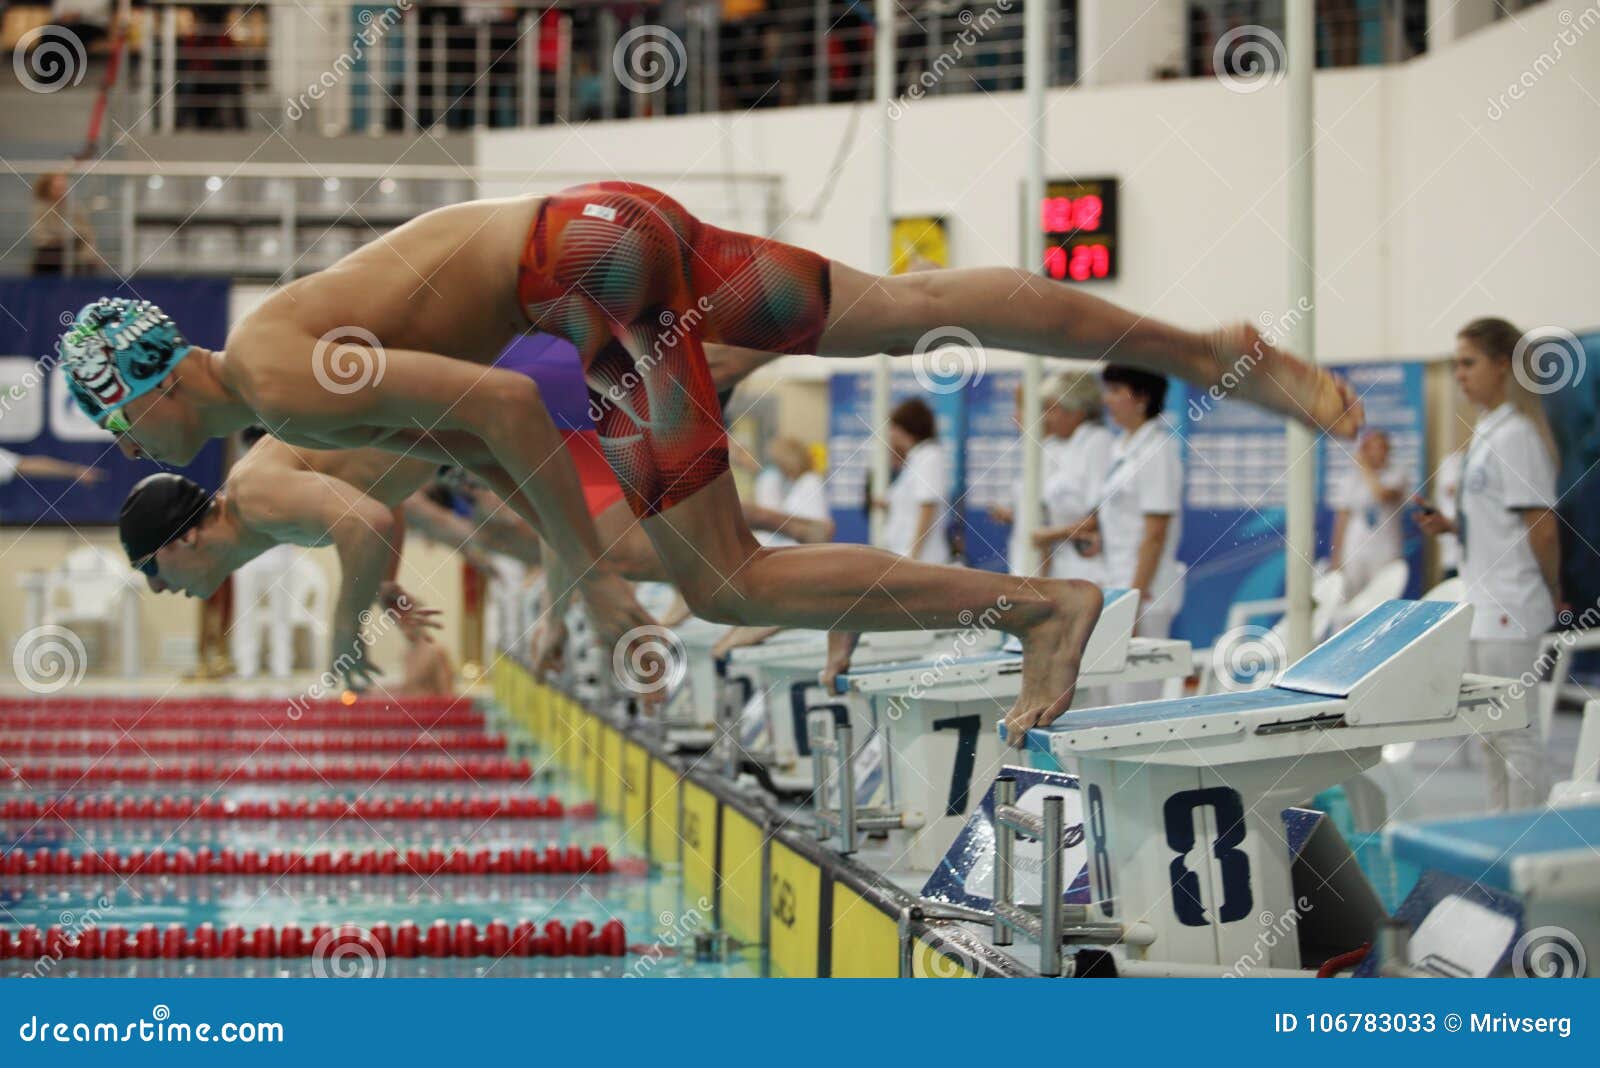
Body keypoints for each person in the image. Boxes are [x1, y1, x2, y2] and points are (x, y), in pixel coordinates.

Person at [60, 181, 1361, 736]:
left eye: (125, 426)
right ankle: (1201, 350)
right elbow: (472, 450)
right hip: (613, 234)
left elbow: (515, 420)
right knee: (907, 314)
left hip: (590, 270)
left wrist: (591, 581)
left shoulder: (279, 386)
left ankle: (1045, 609)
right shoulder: (289, 382)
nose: (132, 449)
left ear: (164, 378)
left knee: (721, 582)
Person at [1414, 317, 1560, 811]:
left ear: (1502, 366)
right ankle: (1496, 838)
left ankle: (1526, 846)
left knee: (1516, 735)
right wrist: (1451, 528)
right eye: (1455, 364)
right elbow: (1497, 522)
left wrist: (1554, 589)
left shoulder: (1517, 434)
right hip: (1480, 604)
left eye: (1468, 363)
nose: (1459, 374)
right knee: (1489, 737)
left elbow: (1541, 527)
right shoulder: (1485, 433)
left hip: (1511, 607)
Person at [1087, 365, 1187, 703]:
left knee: (1133, 697)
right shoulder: (1122, 446)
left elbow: (1155, 534)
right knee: (1106, 692)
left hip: (1143, 592)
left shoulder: (1158, 450)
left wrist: (1132, 601)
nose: (1107, 400)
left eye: (1116, 391)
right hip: (1116, 584)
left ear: (1142, 397)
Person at [1027, 372, 1115, 583]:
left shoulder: (1097, 443)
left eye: (1053, 409)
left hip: (1090, 567)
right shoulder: (1055, 447)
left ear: (1077, 411)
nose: (1047, 418)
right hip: (1061, 566)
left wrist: (1049, 535)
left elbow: (1098, 516)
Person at [1329, 428, 1408, 595]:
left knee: (1383, 598)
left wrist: (1363, 467)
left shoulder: (1397, 473)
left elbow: (1382, 494)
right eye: (1372, 448)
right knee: (1348, 599)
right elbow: (1342, 518)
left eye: (1381, 448)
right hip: (1355, 550)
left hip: (1385, 550)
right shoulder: (1349, 478)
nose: (1378, 453)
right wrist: (1336, 558)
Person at [878, 397, 951, 565]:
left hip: (922, 560)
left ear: (906, 428)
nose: (890, 433)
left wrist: (913, 556)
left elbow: (927, 506)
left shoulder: (929, 456)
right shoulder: (915, 459)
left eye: (893, 427)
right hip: (906, 556)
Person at [31, 173, 104, 276]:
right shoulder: (41, 208)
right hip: (51, 253)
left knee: (88, 263)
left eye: (64, 188)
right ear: (48, 189)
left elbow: (87, 234)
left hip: (75, 251)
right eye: (57, 188)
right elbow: (41, 236)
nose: (62, 192)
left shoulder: (76, 207)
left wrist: (92, 255)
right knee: (47, 257)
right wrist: (64, 236)